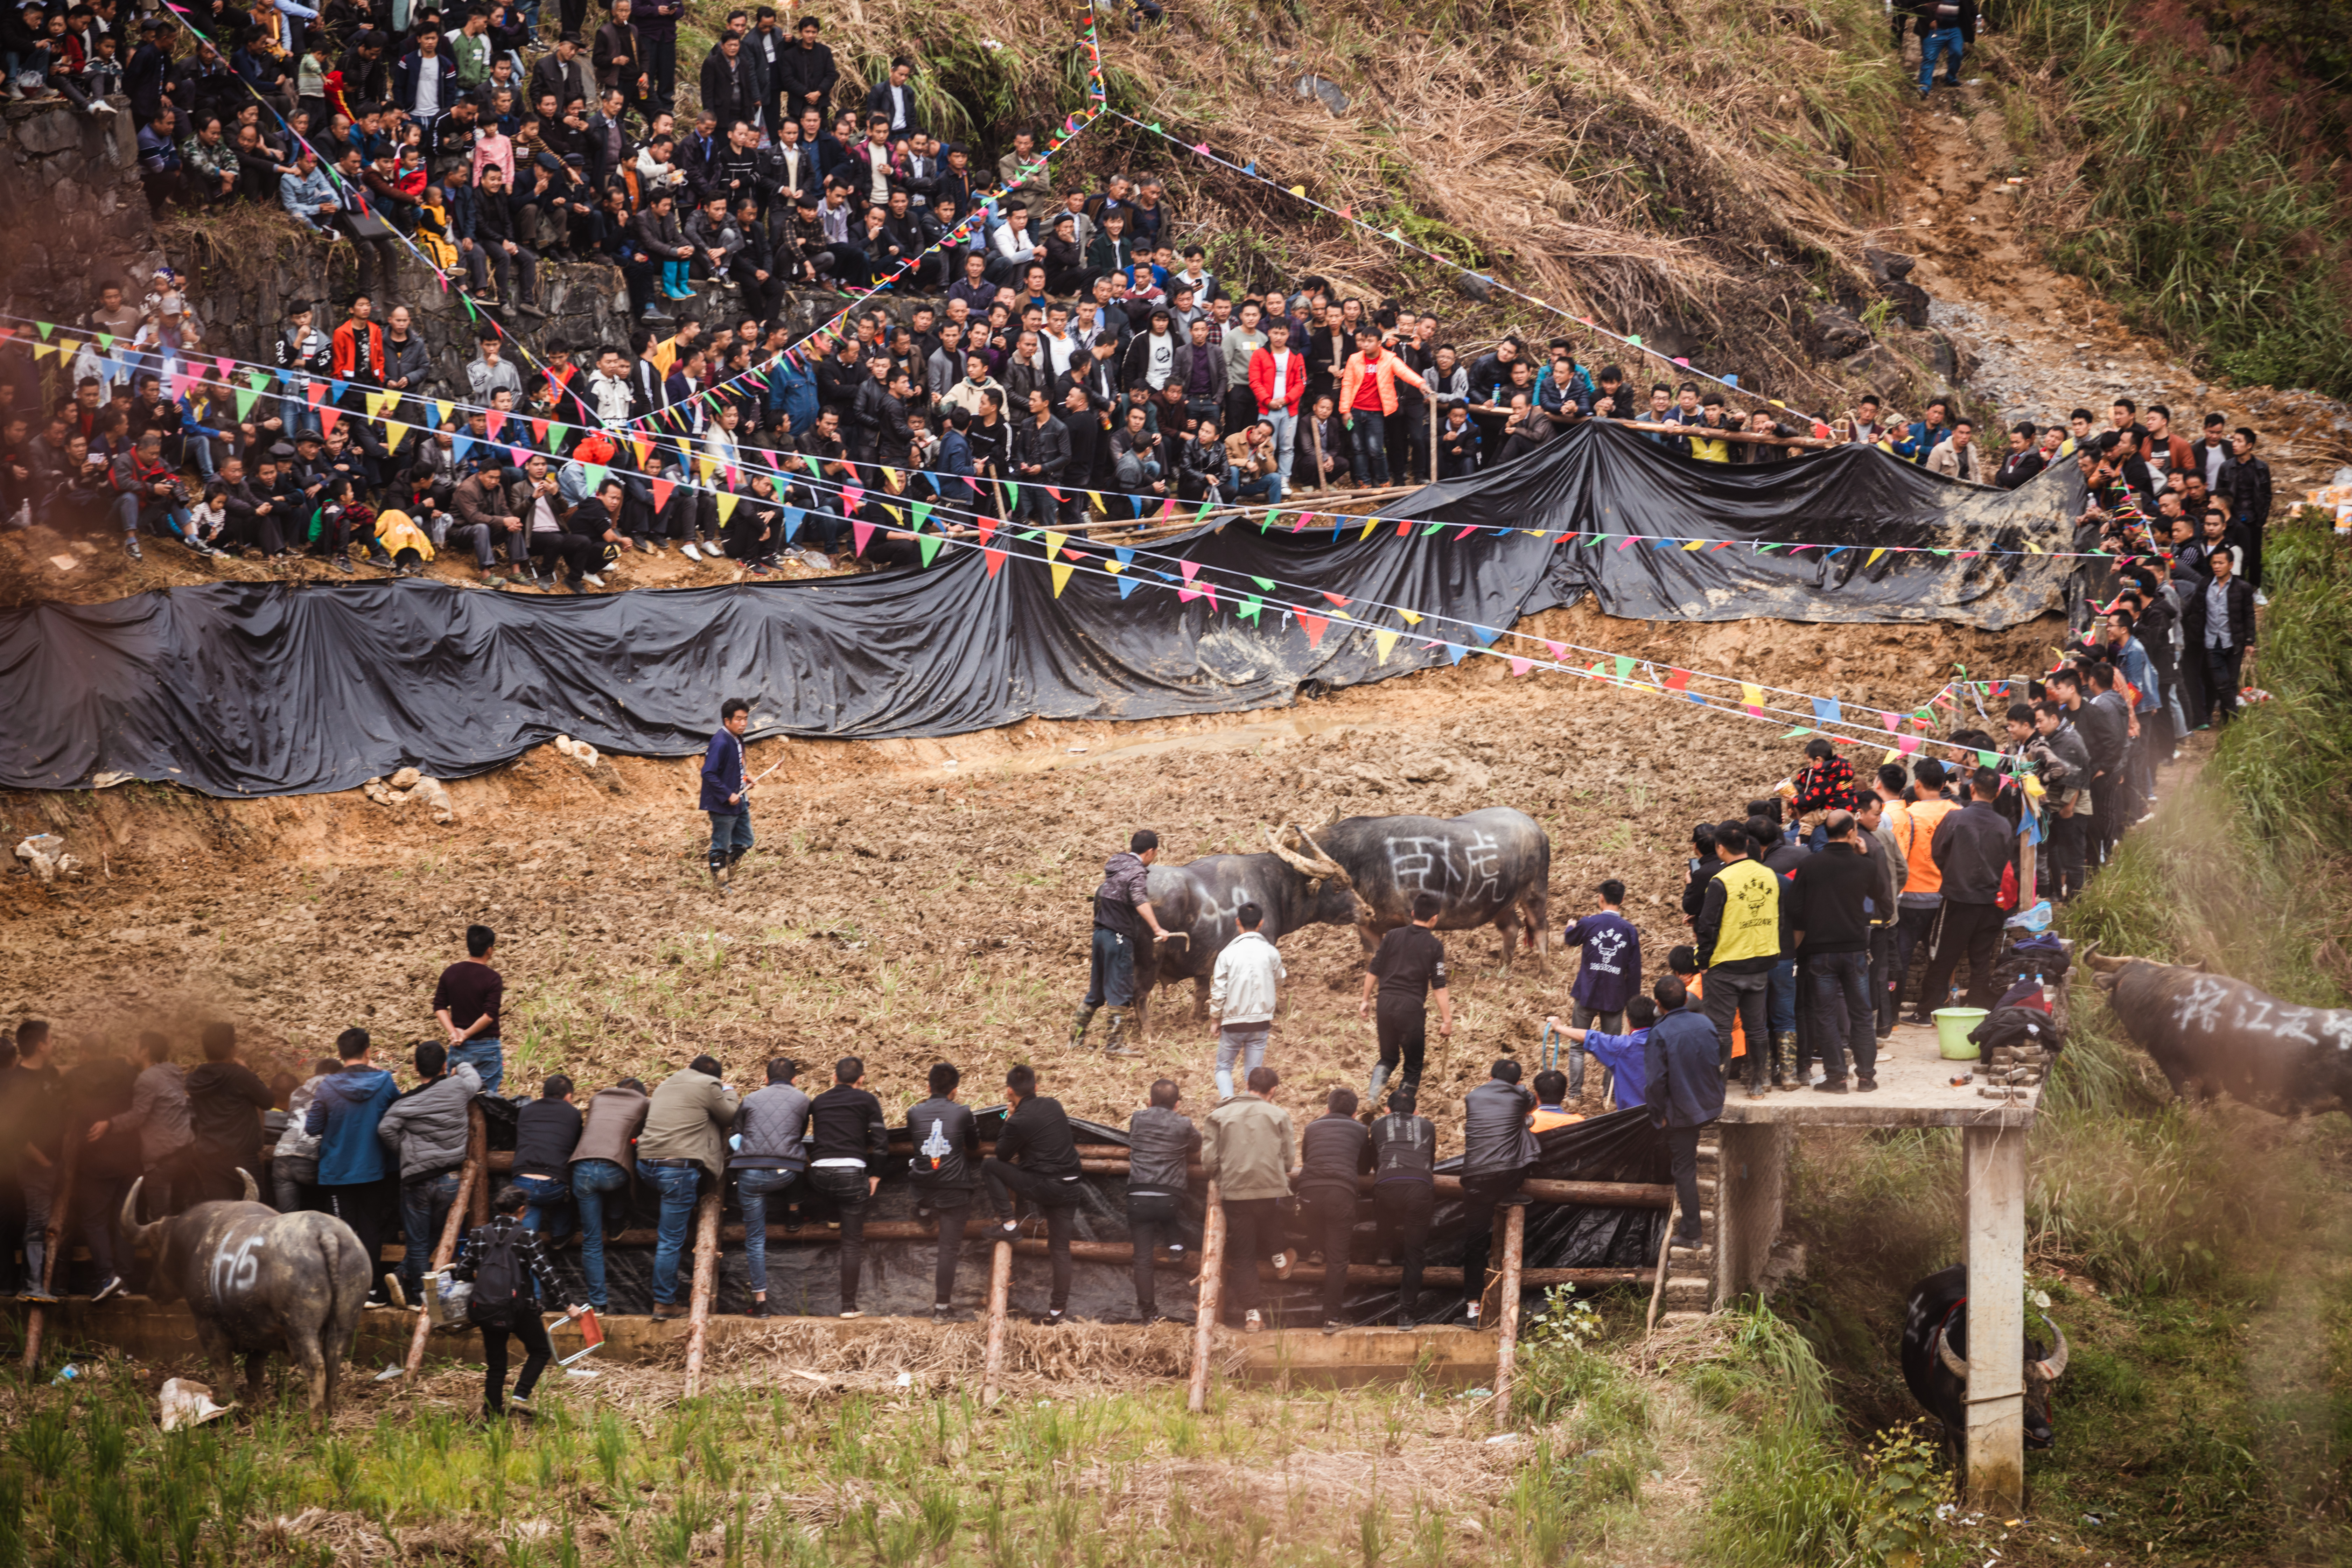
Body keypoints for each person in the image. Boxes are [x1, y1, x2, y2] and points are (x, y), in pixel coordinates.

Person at [448, 1182, 588, 1420]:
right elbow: (546, 1275)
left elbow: (461, 1271)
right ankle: (520, 1396)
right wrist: (568, 1306)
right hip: (521, 1308)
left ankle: (492, 1418)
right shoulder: (527, 1237)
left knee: (497, 1365)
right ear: (522, 1210)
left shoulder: (479, 1234)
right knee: (540, 1351)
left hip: (488, 1309)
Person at [376, 1040, 484, 1307]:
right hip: (450, 1179)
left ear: (415, 1067)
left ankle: (416, 1294)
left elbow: (385, 1129)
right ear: (444, 1066)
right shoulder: (458, 1086)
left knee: (418, 1242)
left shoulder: (406, 1102)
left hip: (417, 1181)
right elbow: (476, 1080)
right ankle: (406, 1279)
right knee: (434, 1236)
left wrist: (406, 1152)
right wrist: (461, 1065)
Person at [634, 1054, 740, 1321]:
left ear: (689, 1068)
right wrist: (729, 1091)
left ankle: (663, 1297)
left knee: (667, 1234)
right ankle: (664, 1303)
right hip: (676, 1170)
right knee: (670, 1240)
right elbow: (729, 1115)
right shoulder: (709, 1086)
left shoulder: (666, 1084)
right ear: (714, 1078)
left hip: (646, 1166)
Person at [982, 1063, 1085, 1325]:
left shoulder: (1018, 1120)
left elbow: (1003, 1155)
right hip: (1072, 1185)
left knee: (989, 1166)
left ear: (1009, 1092)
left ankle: (1009, 1225)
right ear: (1036, 1087)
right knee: (1060, 1249)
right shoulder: (1054, 1105)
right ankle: (1057, 1312)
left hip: (1046, 1186)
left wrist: (1009, 1119)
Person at [304, 1028, 400, 1306]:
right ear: (368, 1051)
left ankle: (344, 1292)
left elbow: (312, 1128)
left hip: (337, 1173)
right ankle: (371, 1290)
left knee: (341, 1232)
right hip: (374, 1171)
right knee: (371, 1229)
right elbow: (399, 1113)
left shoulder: (327, 1087)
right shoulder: (385, 1082)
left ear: (340, 1055)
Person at [1786, 810, 1878, 1091]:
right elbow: (1880, 895)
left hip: (1819, 953)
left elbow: (1795, 910)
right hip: (1856, 951)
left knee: (1825, 1015)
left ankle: (1836, 1078)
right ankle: (1866, 1077)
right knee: (1861, 1014)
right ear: (1851, 832)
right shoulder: (1865, 866)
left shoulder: (1809, 865)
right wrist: (1865, 857)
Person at [1916, 769, 2016, 1018]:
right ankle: (1977, 1009)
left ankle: (1926, 1011)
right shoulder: (2004, 825)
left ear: (1972, 789)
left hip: (1958, 899)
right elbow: (2005, 859)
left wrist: (1953, 873)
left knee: (1943, 957)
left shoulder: (1955, 819)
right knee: (1981, 960)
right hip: (1991, 902)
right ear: (1996, 794)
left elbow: (1938, 851)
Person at [1201, 1064, 1293, 1333]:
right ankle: (1280, 1260)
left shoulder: (1218, 1115)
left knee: (1243, 1255)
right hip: (1268, 1190)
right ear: (1273, 1091)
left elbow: (1209, 1161)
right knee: (1270, 1217)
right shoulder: (1279, 1115)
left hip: (1235, 1192)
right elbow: (1289, 1160)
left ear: (1246, 1085)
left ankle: (1252, 1317)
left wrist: (1221, 1177)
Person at [1693, 822, 1779, 1097]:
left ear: (1720, 848)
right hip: (1761, 961)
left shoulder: (1721, 880)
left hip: (1726, 965)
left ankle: (1717, 1087)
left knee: (1721, 1029)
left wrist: (1703, 961)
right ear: (1746, 843)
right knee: (1757, 1027)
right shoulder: (1768, 875)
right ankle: (1757, 1084)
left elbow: (1707, 926)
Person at [1071, 828, 1175, 1056]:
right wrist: (1157, 928)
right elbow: (1139, 899)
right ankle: (1114, 1045)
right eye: (1156, 853)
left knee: (1096, 993)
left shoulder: (1117, 862)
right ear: (1151, 851)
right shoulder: (1137, 872)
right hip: (1118, 937)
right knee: (1121, 991)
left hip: (1100, 935)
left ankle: (1076, 1040)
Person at [1456, 1060, 1538, 1327]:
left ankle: (1473, 1311)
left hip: (1475, 1178)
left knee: (1474, 1246)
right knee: (1527, 1125)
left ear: (1490, 1078)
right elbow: (1532, 1103)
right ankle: (1510, 1192)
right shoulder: (1521, 1095)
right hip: (1508, 1176)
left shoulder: (1472, 1096)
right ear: (1517, 1082)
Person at [806, 1055, 889, 1318]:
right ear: (861, 1080)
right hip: (852, 1176)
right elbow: (881, 1142)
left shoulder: (818, 1101)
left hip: (818, 1176)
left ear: (834, 1078)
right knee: (852, 1244)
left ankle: (833, 1217)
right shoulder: (867, 1100)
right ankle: (848, 1307)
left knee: (832, 1190)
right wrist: (876, 1175)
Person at [1643, 977, 1721, 1247]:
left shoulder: (1659, 1033)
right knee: (1687, 1157)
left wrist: (1658, 1116)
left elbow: (1655, 1082)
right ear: (1686, 999)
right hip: (1710, 1105)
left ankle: (1692, 1234)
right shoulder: (1706, 1023)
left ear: (1658, 1004)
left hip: (1682, 1113)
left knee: (1684, 1169)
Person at [1359, 890, 1453, 1102]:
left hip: (1384, 1003)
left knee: (1388, 1058)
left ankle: (1372, 1099)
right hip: (1410, 1008)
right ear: (1435, 918)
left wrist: (1365, 1000)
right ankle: (1400, 1108)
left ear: (1412, 913)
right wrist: (1447, 1020)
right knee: (1413, 1065)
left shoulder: (1392, 936)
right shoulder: (1435, 946)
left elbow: (1374, 969)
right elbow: (1439, 986)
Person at [903, 1060, 977, 1322]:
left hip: (922, 1187)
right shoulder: (964, 1112)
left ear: (928, 1087)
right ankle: (942, 1310)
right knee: (948, 1250)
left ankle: (923, 1211)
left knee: (923, 1179)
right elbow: (974, 1145)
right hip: (955, 1190)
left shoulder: (914, 1113)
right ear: (955, 1090)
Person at [90, 1030, 194, 1217]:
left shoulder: (145, 1080)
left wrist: (109, 1124)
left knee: (161, 1219)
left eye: (135, 1046)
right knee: (184, 1213)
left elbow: (137, 1117)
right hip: (186, 1151)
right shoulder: (174, 1070)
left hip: (162, 1160)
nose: (131, 1050)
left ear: (145, 1051)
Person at [567, 1075, 649, 1313]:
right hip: (614, 1171)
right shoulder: (644, 1103)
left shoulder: (597, 1098)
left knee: (591, 1241)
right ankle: (615, 1224)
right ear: (641, 1094)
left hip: (581, 1169)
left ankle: (599, 1305)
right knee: (626, 1172)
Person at [1559, 879, 1640, 1101]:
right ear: (1623, 900)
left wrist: (1571, 925)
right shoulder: (1629, 931)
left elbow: (1570, 939)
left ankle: (1574, 1095)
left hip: (1587, 993)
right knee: (1613, 1049)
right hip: (1615, 998)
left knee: (1577, 1046)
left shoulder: (1589, 923)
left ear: (1601, 898)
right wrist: (1632, 1002)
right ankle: (1608, 1096)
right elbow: (1634, 971)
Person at [1125, 1077, 1198, 1324]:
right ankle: (1176, 1246)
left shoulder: (1137, 1118)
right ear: (1177, 1105)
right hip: (1170, 1199)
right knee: (1165, 1212)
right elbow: (1197, 1144)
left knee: (1142, 1260)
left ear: (1149, 1101)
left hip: (1138, 1197)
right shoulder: (1184, 1123)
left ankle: (1149, 1315)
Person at [1295, 1085, 1367, 1335]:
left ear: (1327, 1109)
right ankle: (1332, 1318)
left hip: (1308, 1190)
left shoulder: (1311, 1127)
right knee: (1338, 1260)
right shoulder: (1361, 1130)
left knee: (1314, 1212)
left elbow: (1307, 1160)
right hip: (1340, 1194)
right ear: (1355, 1113)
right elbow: (1364, 1167)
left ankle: (1316, 1249)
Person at [3, 1023, 64, 1303]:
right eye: (51, 1040)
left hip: (55, 1162)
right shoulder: (18, 1083)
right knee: (38, 1221)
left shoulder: (49, 1074)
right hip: (35, 1166)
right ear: (41, 1045)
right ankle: (32, 1285)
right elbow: (13, 1134)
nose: (53, 1044)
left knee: (43, 1220)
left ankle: (40, 1283)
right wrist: (43, 1161)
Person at [181, 1021, 274, 1204]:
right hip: (242, 1158)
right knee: (254, 1212)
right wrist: (247, 1071)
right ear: (232, 1049)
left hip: (210, 1159)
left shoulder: (194, 1079)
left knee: (221, 1212)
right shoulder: (240, 1075)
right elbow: (268, 1101)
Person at [1206, 901, 1283, 1100]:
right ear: (1261, 923)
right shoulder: (1271, 952)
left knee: (1224, 1068)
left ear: (1238, 922)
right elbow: (1280, 979)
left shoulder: (1227, 954)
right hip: (1261, 1022)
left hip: (1233, 1023)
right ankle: (1251, 1107)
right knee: (1253, 1074)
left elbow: (1219, 992)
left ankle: (1228, 1103)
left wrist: (1215, 1019)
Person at [2182, 540, 2254, 728]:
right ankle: (2235, 718)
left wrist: (2250, 641)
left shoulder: (2243, 588)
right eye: (2214, 563)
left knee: (2231, 682)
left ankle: (2226, 721)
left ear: (2231, 565)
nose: (2217, 567)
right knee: (2221, 682)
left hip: (2234, 642)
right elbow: (2193, 608)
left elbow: (2249, 615)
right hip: (2211, 641)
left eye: (2221, 563)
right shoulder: (2205, 584)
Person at [1549, 995, 1659, 1112]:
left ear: (1628, 1021)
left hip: (1632, 1117)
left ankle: (1575, 1094)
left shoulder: (1620, 1046)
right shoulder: (1667, 1041)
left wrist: (1559, 1028)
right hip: (1664, 1114)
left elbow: (1588, 1037)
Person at [431, 923, 505, 1095]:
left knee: (458, 1097)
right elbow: (489, 1016)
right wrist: (466, 1034)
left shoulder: (450, 973)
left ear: (468, 946)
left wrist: (454, 1033)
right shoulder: (493, 978)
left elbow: (439, 1006)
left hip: (459, 1048)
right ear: (490, 950)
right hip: (486, 1048)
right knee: (486, 1099)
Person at [512, 1075, 582, 1240]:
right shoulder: (573, 1114)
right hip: (554, 1187)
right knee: (570, 1191)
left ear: (542, 1095)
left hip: (522, 1182)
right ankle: (560, 1235)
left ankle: (526, 1246)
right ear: (569, 1097)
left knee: (530, 1208)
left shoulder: (526, 1110)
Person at [272, 1056, 340, 1214]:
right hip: (312, 1160)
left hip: (283, 1156)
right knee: (332, 1216)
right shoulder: (339, 1090)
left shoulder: (297, 1092)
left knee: (286, 1220)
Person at [701, 696, 755, 888]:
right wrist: (727, 794)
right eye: (739, 719)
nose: (743, 724)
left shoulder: (737, 739)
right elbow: (708, 773)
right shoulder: (721, 742)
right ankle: (720, 885)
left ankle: (729, 873)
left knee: (746, 840)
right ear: (727, 721)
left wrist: (745, 778)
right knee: (720, 847)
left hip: (740, 799)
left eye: (746, 719)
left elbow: (732, 767)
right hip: (723, 804)